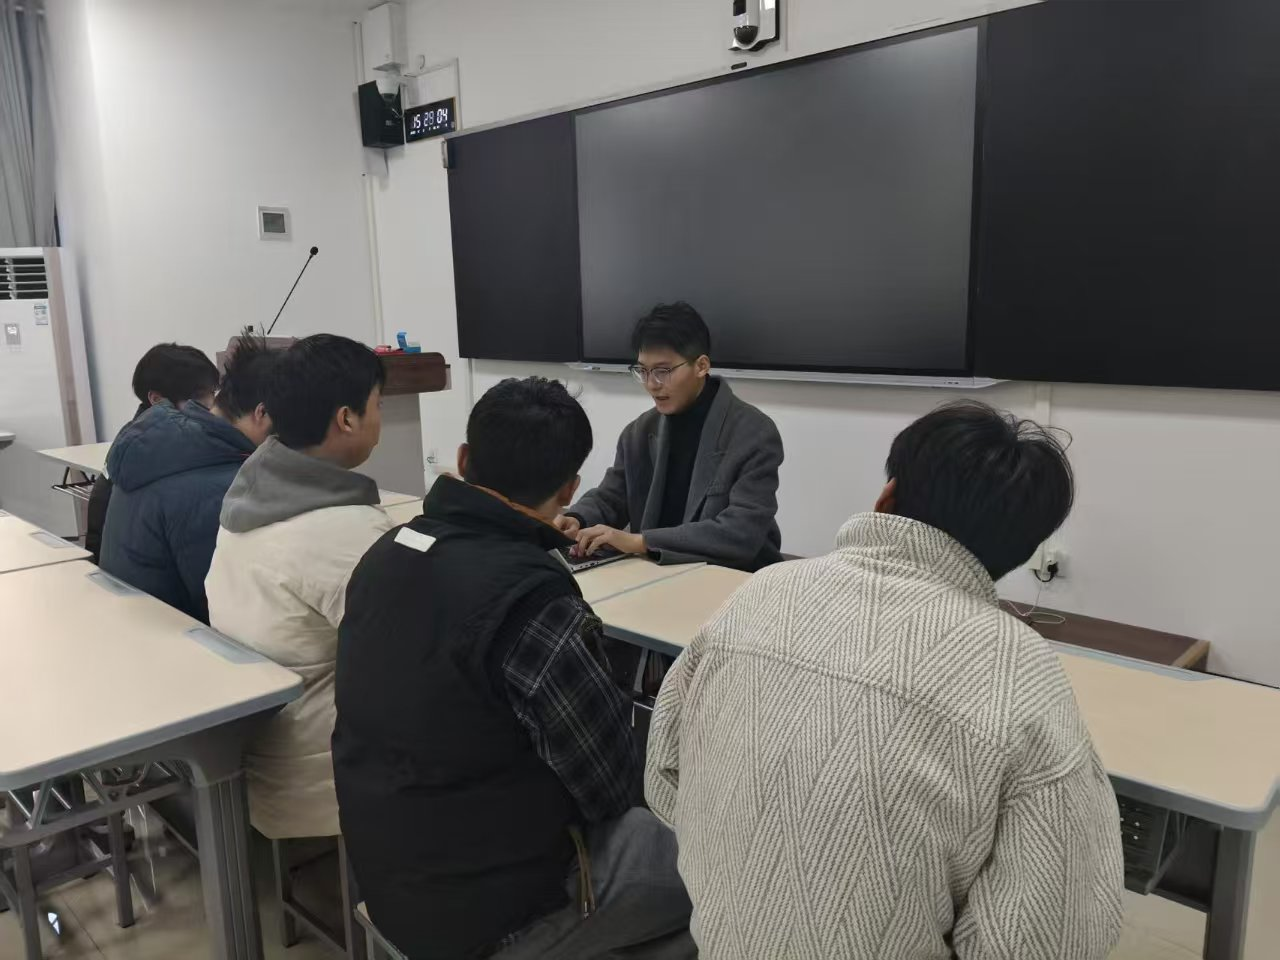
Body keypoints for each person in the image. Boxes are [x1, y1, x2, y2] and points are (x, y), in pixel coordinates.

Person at [646, 401, 1125, 960]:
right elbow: (1054, 937)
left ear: (886, 497)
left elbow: (664, 778)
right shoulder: (1020, 672)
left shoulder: (760, 593)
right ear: (1017, 555)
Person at [335, 377, 693, 960]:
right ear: (570, 488)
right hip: (490, 913)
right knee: (710, 861)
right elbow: (609, 785)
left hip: (387, 872)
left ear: (463, 460)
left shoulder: (387, 551)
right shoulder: (533, 599)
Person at [205, 334, 394, 840]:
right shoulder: (344, 531)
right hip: (324, 780)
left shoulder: (250, 490)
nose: (381, 419)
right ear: (346, 418)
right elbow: (412, 655)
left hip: (256, 759)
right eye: (378, 405)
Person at [559, 302, 784, 572]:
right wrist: (578, 518)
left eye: (663, 371)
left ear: (701, 366)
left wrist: (641, 542)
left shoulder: (754, 433)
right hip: (659, 572)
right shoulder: (638, 432)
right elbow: (612, 497)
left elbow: (740, 533)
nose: (651, 384)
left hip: (735, 576)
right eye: (643, 371)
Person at [98, 337, 275, 622]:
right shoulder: (216, 480)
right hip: (172, 636)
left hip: (129, 621)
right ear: (261, 412)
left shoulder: (157, 446)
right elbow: (221, 605)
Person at [85, 343, 221, 562]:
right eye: (198, 397)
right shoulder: (156, 449)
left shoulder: (135, 435)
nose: (211, 405)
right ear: (156, 400)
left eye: (213, 392)